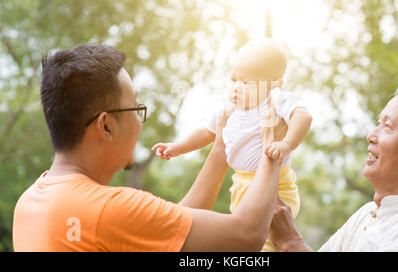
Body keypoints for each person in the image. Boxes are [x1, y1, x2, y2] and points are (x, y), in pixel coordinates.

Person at [12, 43, 288, 252]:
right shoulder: (109, 209)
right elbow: (246, 235)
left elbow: (171, 228)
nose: (140, 121)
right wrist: (270, 147)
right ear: (106, 125)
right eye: (136, 108)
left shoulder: (30, 202)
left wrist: (219, 151)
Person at [151, 38, 312, 251]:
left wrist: (286, 144)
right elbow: (206, 132)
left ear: (275, 83)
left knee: (267, 239)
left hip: (277, 187)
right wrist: (179, 147)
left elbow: (303, 116)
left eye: (246, 83)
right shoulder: (228, 106)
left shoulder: (276, 99)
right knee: (243, 238)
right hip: (240, 184)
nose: (236, 88)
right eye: (233, 79)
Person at [268, 80, 398, 252]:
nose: (371, 135)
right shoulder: (366, 214)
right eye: (379, 123)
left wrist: (290, 241)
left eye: (388, 126)